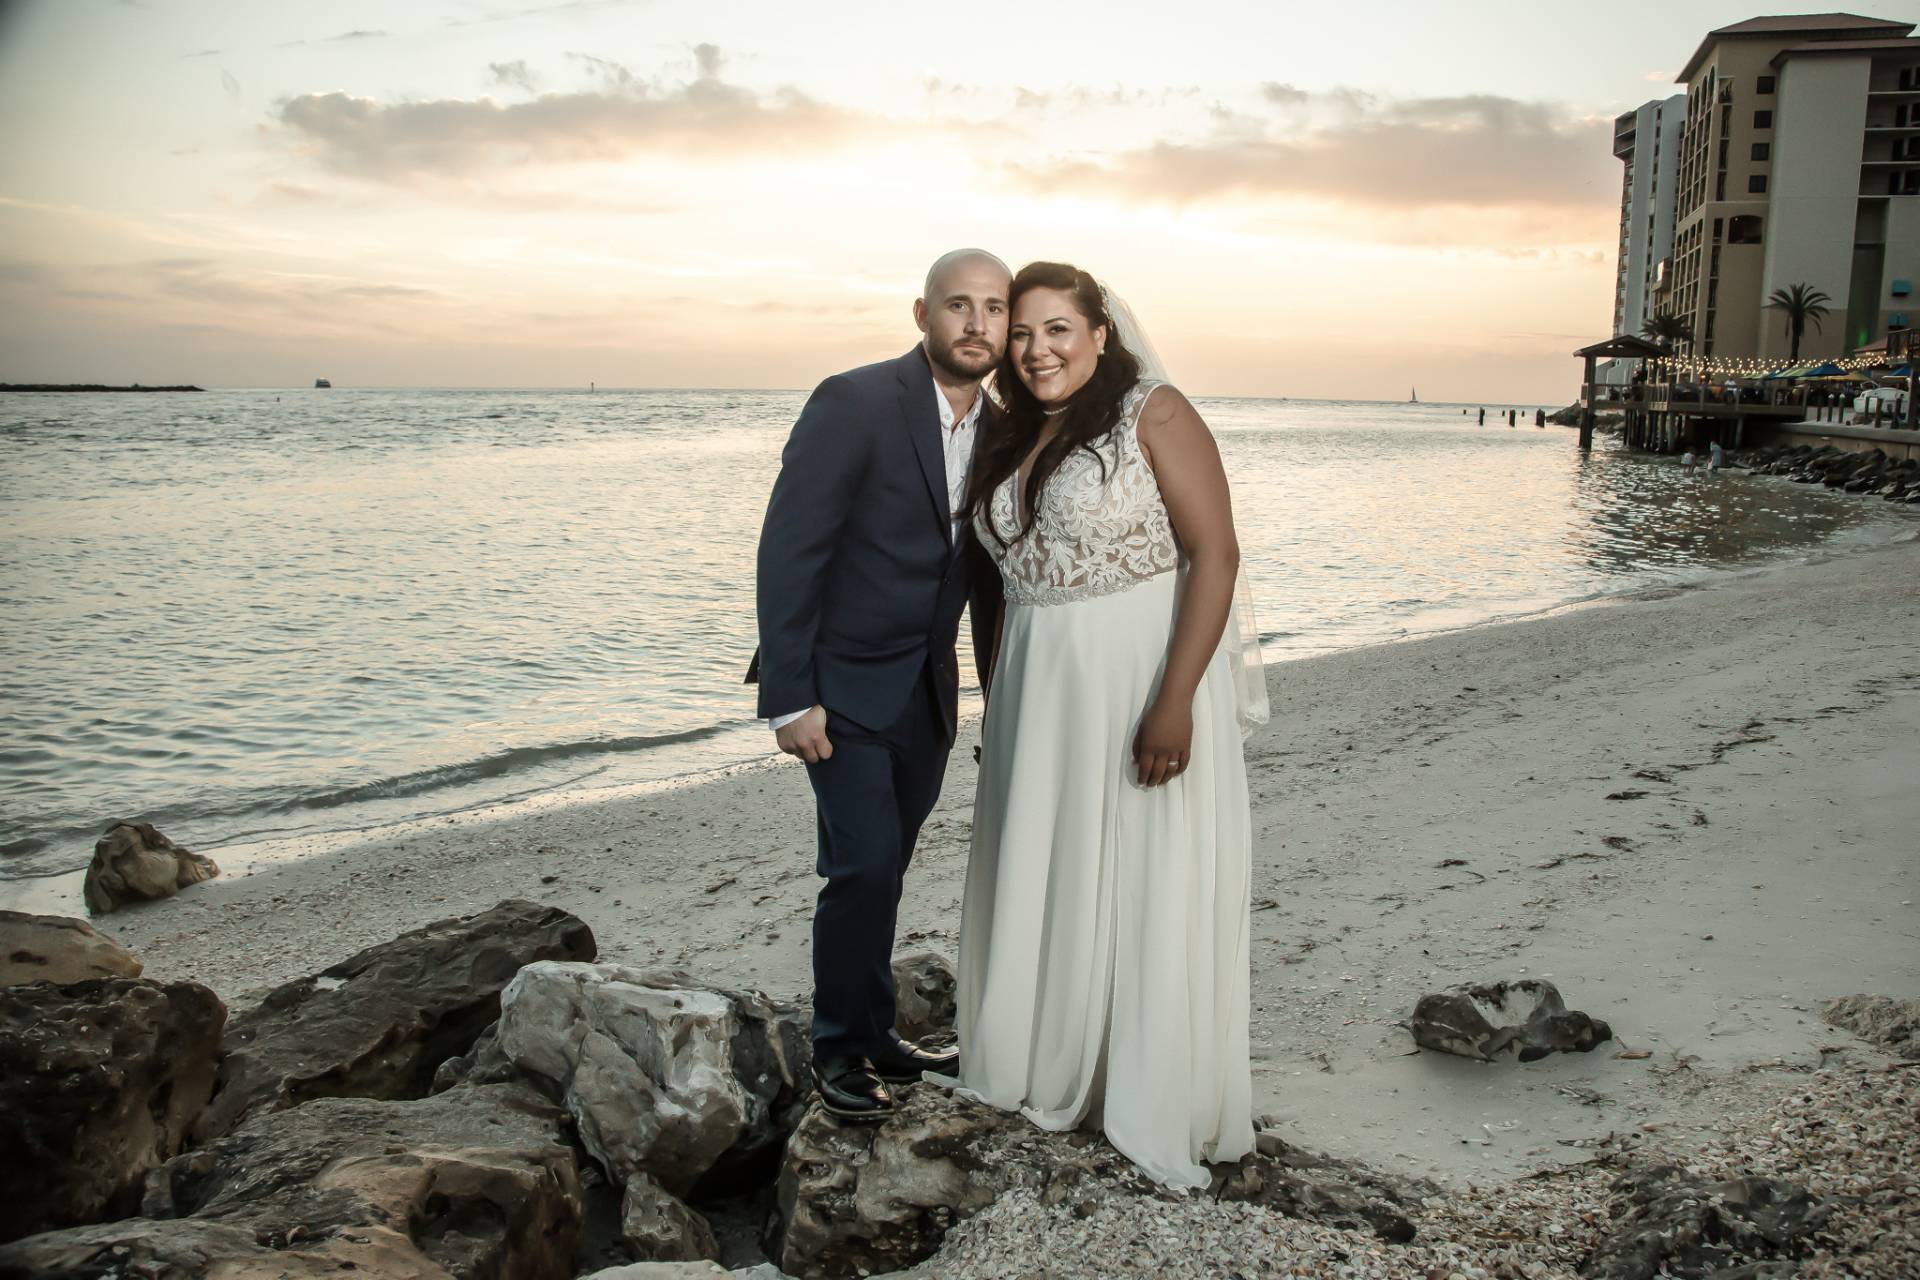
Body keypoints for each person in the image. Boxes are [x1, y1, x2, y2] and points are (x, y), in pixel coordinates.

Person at [941, 261, 1263, 1190]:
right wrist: (997, 697)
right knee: (1045, 861)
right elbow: (1001, 586)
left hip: (1136, 679)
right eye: (1023, 335)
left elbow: (1215, 555)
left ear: (1100, 333)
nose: (1037, 351)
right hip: (1039, 691)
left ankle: (1142, 1086)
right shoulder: (1014, 434)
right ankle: (1041, 1063)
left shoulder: (1153, 414)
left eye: (1057, 331)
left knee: (1135, 867)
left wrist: (1174, 699)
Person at [749, 249, 1009, 1120]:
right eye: (959, 306)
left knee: (887, 869)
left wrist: (1001, 693)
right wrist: (789, 695)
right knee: (859, 869)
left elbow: (986, 581)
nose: (978, 324)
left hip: (928, 695)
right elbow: (791, 549)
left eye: (994, 309)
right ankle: (835, 1049)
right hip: (841, 691)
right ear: (922, 315)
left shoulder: (1003, 430)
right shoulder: (855, 400)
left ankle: (873, 1032)